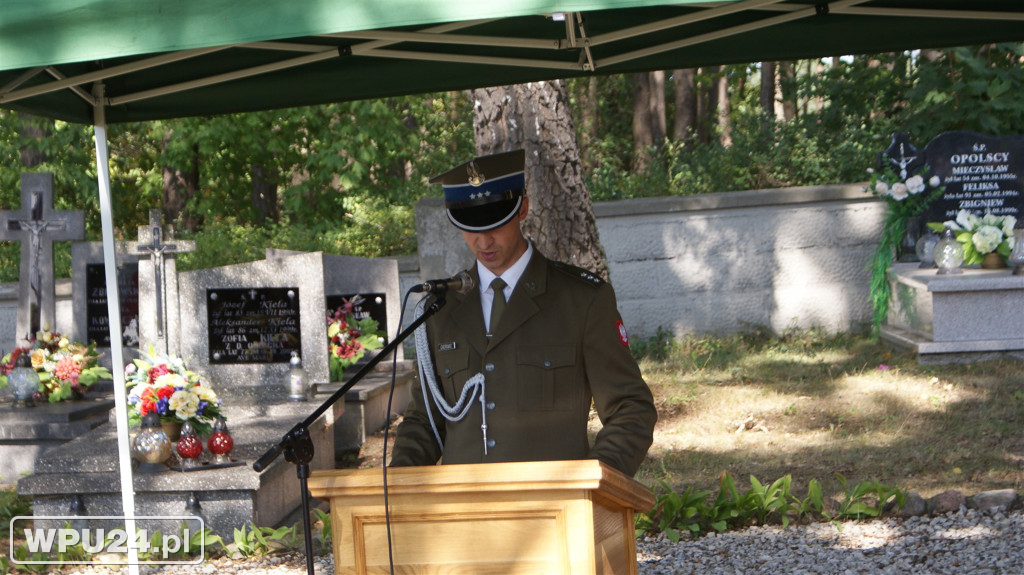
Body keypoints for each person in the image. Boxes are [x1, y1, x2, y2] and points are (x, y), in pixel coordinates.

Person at [390, 149, 657, 476]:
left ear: (523, 209)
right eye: (471, 226)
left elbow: (632, 409)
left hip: (555, 511)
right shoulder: (440, 309)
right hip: (462, 515)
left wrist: (593, 485)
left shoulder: (582, 300)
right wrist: (395, 490)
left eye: (496, 223)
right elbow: (423, 422)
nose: (484, 240)